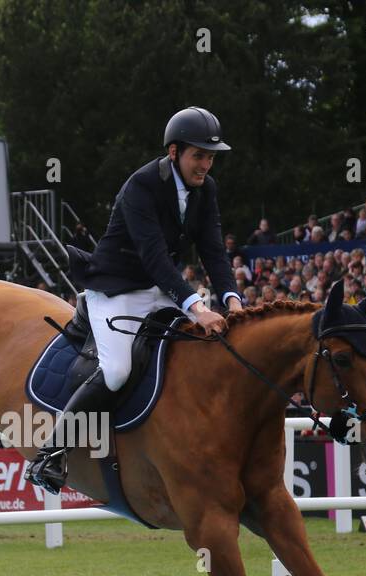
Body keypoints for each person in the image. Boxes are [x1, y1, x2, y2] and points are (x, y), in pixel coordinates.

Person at [29, 106, 241, 493]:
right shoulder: (141, 185)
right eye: (199, 155)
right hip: (118, 289)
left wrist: (232, 299)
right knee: (117, 372)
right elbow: (154, 257)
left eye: (211, 157)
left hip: (162, 289)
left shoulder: (206, 189)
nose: (206, 165)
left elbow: (213, 249)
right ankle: (51, 454)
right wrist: (197, 306)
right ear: (174, 152)